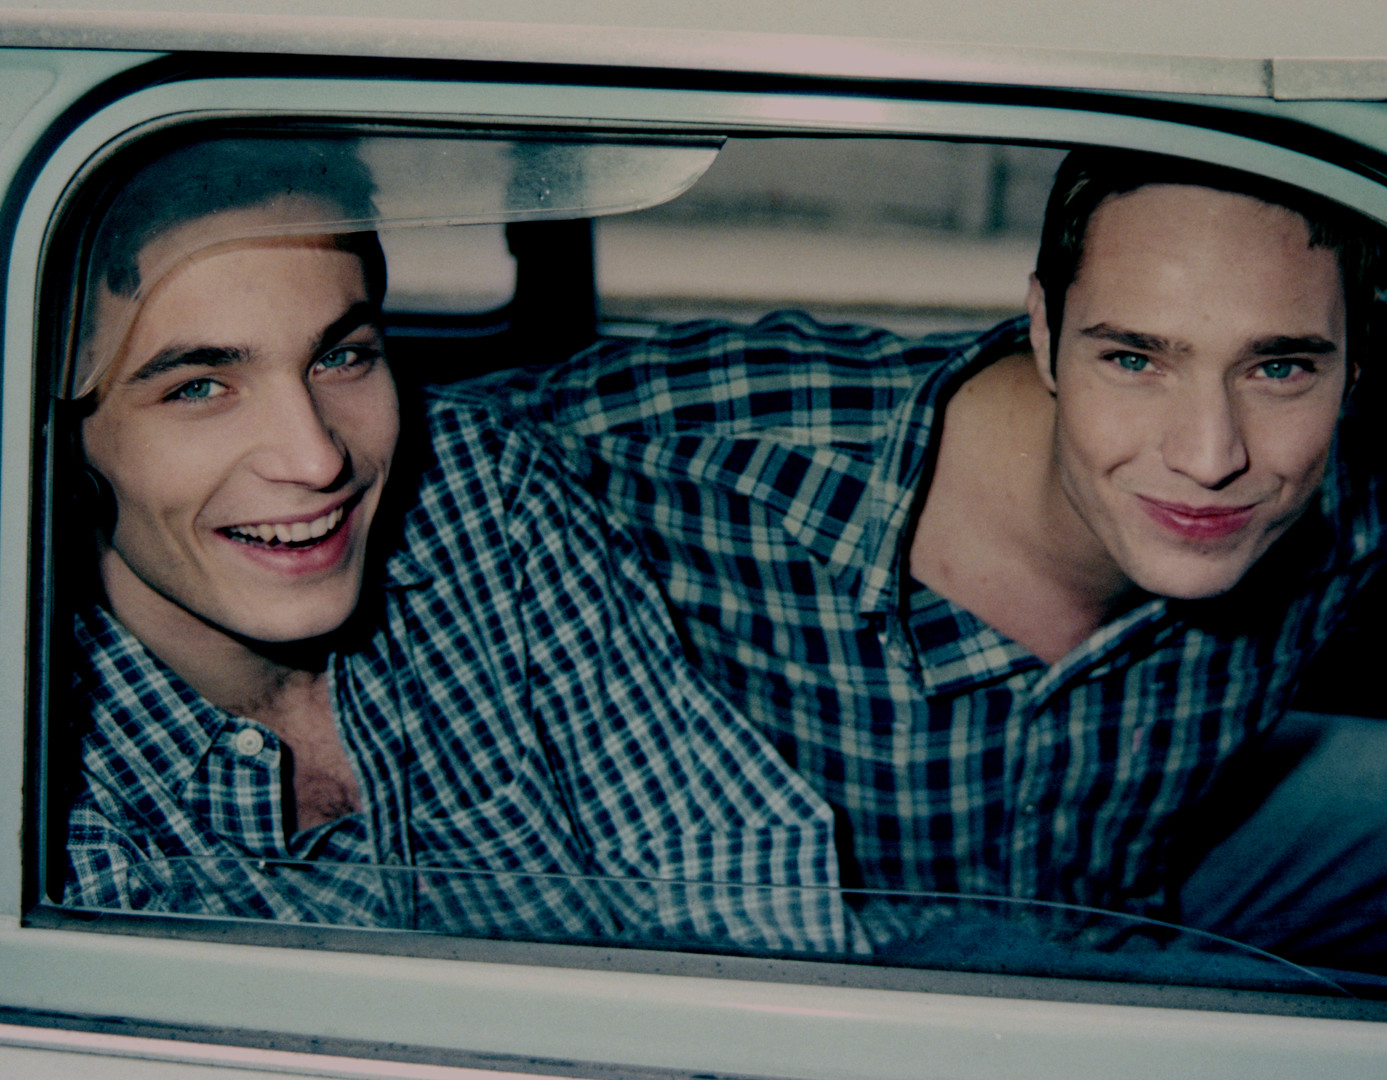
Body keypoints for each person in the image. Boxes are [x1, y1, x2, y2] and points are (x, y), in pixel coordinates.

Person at [487, 149, 1387, 976]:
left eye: (1278, 368)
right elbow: (415, 465)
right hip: (838, 977)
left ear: (1361, 363)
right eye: (1134, 359)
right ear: (1043, 329)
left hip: (1135, 901)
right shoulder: (698, 456)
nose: (1208, 457)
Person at [58, 137, 853, 954]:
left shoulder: (480, 493)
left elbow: (726, 871)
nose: (317, 459)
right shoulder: (49, 784)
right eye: (199, 388)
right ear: (58, 442)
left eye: (341, 357)